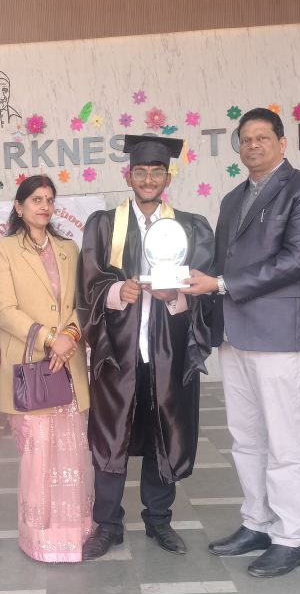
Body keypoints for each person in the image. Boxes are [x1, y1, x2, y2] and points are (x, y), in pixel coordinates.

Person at [184, 107, 300, 578]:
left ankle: (291, 537)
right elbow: (220, 264)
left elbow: (297, 260)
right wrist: (187, 284)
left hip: (280, 335)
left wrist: (220, 284)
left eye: (262, 138)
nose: (252, 146)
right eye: (245, 139)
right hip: (235, 334)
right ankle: (257, 522)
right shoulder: (232, 199)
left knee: (284, 441)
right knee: (246, 438)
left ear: (282, 142)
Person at [76, 134, 215, 560]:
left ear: (168, 177)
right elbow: (88, 283)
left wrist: (174, 297)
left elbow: (205, 289)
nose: (149, 179)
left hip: (169, 352)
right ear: (129, 176)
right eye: (141, 171)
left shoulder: (191, 226)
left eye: (157, 172)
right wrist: (117, 291)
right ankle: (107, 524)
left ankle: (159, 520)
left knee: (164, 430)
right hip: (118, 352)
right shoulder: (103, 225)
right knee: (110, 434)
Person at [0, 175, 93, 562]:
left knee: (72, 454)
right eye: (36, 199)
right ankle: (40, 539)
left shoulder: (68, 249)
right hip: (29, 367)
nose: (44, 206)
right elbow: (4, 310)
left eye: (49, 199)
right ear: (19, 207)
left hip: (69, 365)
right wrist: (51, 339)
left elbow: (83, 302)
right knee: (38, 454)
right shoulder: (2, 250)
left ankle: (76, 532)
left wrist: (69, 336)